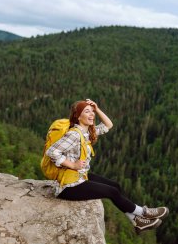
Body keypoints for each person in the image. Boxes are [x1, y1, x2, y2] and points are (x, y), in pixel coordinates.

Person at [46, 99, 169, 234]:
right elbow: (52, 152)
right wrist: (73, 165)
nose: (91, 114)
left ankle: (136, 220)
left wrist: (97, 109)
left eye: (92, 112)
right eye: (87, 111)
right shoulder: (74, 134)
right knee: (112, 192)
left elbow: (108, 125)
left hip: (80, 177)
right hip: (68, 187)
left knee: (115, 185)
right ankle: (143, 212)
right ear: (78, 116)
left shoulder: (86, 132)